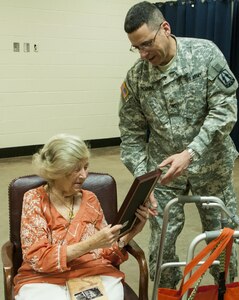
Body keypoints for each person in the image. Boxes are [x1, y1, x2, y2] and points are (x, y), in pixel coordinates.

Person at [119, 1, 239, 289]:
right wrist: (143, 180)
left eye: (147, 43)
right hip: (163, 174)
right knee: (162, 242)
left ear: (166, 28)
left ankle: (222, 290)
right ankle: (167, 291)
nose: (144, 54)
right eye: (137, 47)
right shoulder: (136, 78)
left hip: (211, 168)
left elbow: (224, 110)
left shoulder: (204, 53)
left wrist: (191, 152)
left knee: (222, 238)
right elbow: (131, 135)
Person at [14, 133, 149, 300]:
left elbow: (105, 253)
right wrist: (91, 243)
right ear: (56, 171)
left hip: (92, 272)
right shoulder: (35, 199)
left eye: (86, 167)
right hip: (44, 279)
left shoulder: (90, 199)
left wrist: (130, 234)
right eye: (76, 169)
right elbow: (38, 257)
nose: (84, 175)